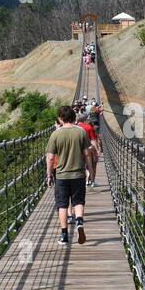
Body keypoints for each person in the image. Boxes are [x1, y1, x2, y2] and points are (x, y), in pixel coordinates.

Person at [46, 105, 90, 244]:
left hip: (62, 176)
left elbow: (51, 158)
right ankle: (79, 222)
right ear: (73, 116)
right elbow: (87, 154)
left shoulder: (55, 134)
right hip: (79, 174)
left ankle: (64, 235)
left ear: (60, 118)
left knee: (62, 205)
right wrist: (89, 169)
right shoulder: (81, 132)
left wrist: (49, 175)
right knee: (78, 201)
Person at [76, 112, 100, 187]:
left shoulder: (73, 127)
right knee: (91, 165)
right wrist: (96, 151)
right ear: (85, 119)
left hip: (76, 150)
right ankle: (92, 181)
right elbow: (93, 140)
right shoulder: (88, 127)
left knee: (80, 166)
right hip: (88, 149)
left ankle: (82, 181)